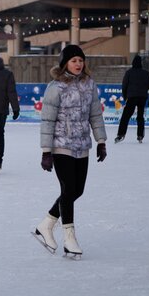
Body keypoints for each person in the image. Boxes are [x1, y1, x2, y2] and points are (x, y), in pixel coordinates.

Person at [34, 45, 107, 259]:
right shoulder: (55, 87)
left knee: (77, 191)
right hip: (61, 145)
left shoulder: (89, 85)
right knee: (68, 189)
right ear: (65, 63)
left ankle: (46, 224)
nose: (78, 64)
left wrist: (100, 141)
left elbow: (95, 115)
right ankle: (69, 237)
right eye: (74, 60)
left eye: (80, 60)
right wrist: (47, 151)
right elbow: (47, 120)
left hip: (82, 145)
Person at [115, 55, 149, 143]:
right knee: (140, 117)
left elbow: (124, 85)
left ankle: (121, 134)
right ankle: (140, 135)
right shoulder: (146, 73)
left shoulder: (129, 72)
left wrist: (125, 97)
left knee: (125, 116)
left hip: (132, 97)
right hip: (142, 97)